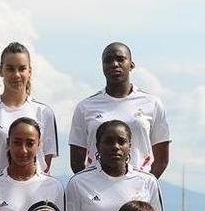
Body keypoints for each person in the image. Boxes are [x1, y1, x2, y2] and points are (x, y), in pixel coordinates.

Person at [69, 42, 170, 177]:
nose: (114, 64)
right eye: (108, 61)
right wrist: (90, 184)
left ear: (131, 65)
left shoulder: (152, 103)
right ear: (103, 66)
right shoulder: (85, 107)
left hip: (139, 190)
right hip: (97, 189)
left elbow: (162, 158)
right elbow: (76, 159)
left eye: (120, 59)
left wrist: (145, 185)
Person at [0, 42, 58, 181]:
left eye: (22, 69)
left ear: (29, 72)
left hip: (34, 194)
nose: (16, 75)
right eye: (10, 68)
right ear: (0, 71)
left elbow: (45, 162)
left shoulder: (44, 113)